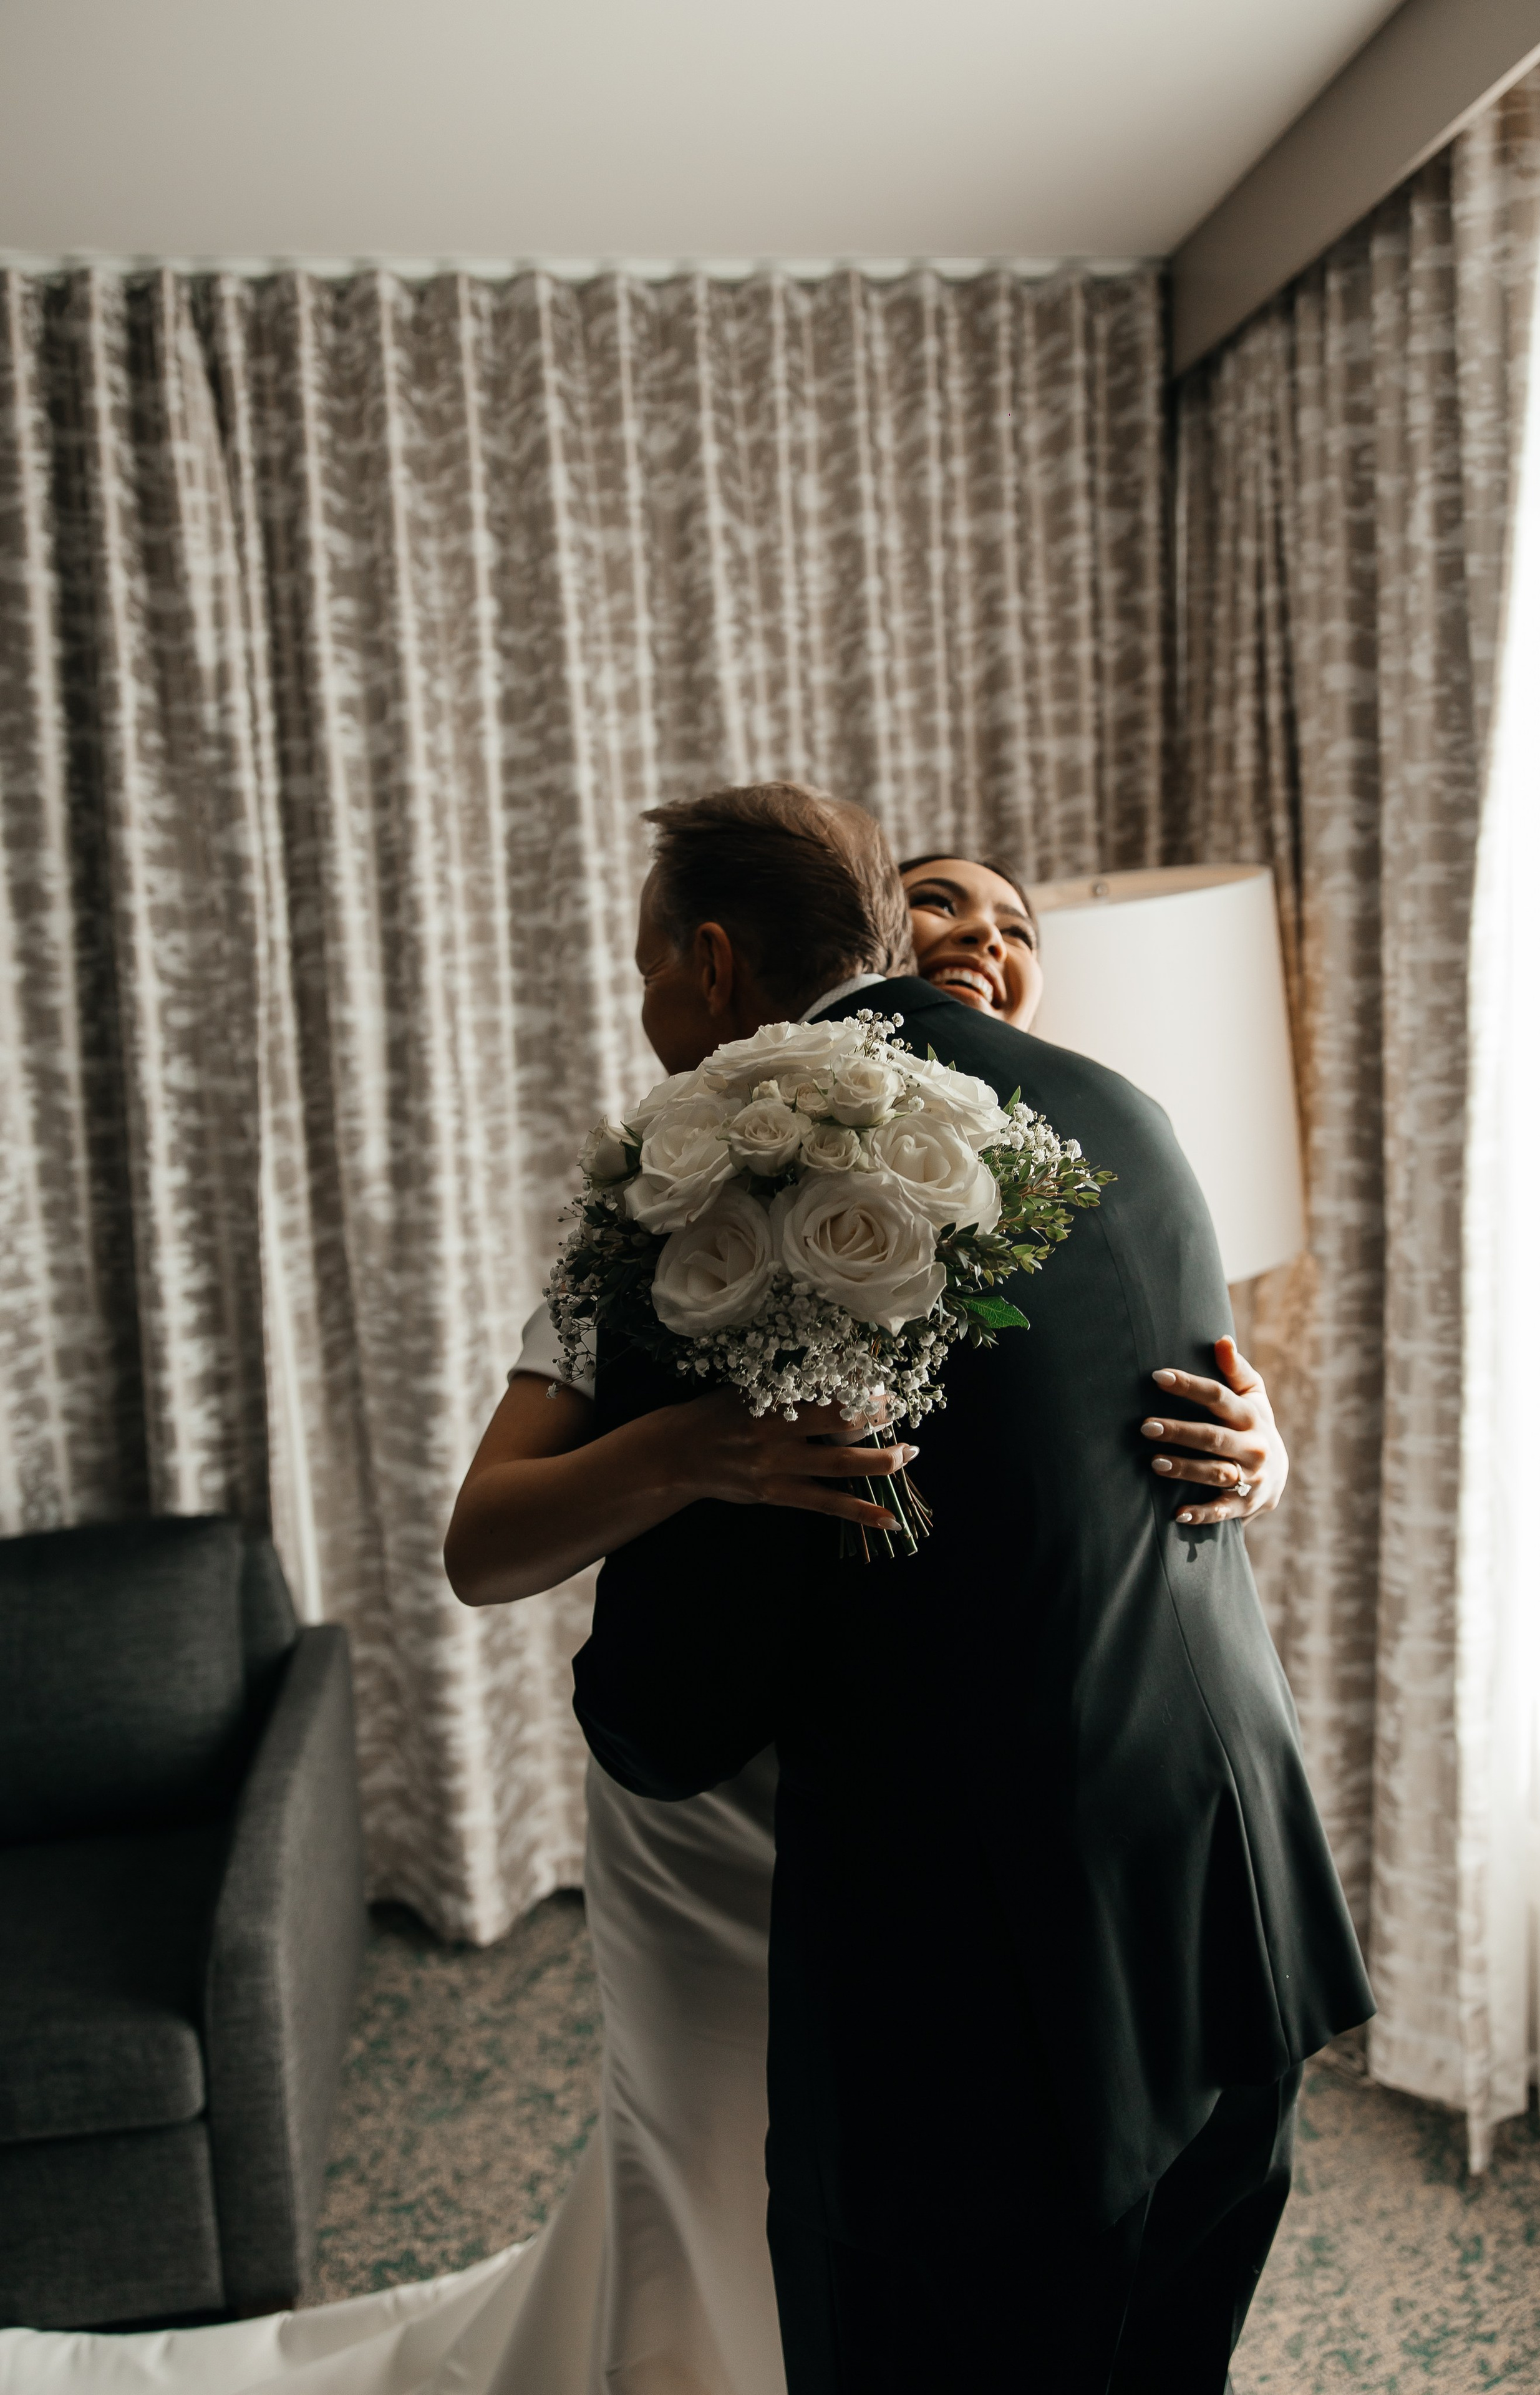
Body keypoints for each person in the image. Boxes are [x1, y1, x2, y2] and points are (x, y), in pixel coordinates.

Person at [447, 784, 1347, 2394]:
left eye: (1014, 924)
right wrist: (697, 1452)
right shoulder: (1125, 1121)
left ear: (711, 964)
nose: (980, 944)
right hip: (1212, 1888)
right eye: (943, 906)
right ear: (876, 935)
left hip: (965, 1932)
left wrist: (1256, 1450)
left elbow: (664, 1706)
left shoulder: (730, 1187)